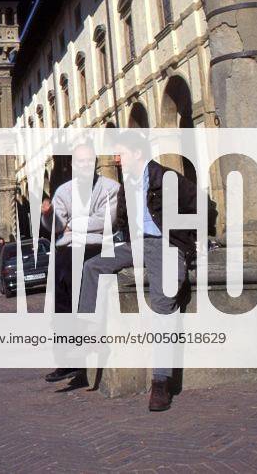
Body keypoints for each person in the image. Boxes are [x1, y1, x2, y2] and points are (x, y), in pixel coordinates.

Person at [77, 132, 197, 412]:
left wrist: (187, 241)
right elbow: (121, 223)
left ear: (138, 154)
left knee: (163, 304)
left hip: (164, 245)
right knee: (92, 266)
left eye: (121, 154)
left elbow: (200, 207)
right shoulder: (126, 186)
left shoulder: (166, 178)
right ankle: (90, 332)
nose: (117, 160)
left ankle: (161, 381)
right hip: (135, 245)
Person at [44, 142, 120, 384]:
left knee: (76, 287)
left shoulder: (111, 188)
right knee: (59, 301)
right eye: (80, 162)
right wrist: (49, 217)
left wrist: (73, 223)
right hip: (67, 248)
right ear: (73, 165)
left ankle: (80, 354)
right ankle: (66, 359)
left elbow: (106, 220)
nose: (85, 165)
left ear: (95, 163)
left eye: (89, 161)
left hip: (95, 246)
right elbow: (56, 227)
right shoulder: (63, 191)